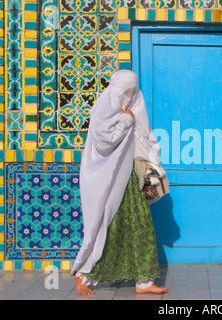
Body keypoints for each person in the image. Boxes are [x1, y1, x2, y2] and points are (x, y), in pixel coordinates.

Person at [71, 69, 168, 295]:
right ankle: (82, 274)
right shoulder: (104, 109)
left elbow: (143, 137)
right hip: (106, 180)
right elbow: (106, 141)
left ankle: (143, 281)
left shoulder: (130, 108)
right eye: (124, 92)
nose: (128, 97)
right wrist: (126, 119)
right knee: (104, 226)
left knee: (140, 226)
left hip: (128, 180)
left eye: (132, 92)